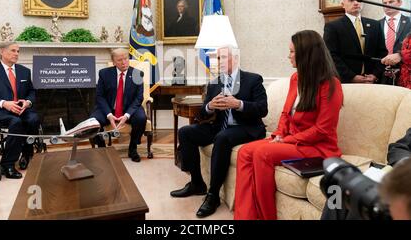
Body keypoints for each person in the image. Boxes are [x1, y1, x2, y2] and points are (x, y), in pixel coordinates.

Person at [234, 30, 343, 220]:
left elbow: (322, 130)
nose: (289, 56)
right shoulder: (296, 78)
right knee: (245, 152)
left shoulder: (330, 85)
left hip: (317, 147)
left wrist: (287, 140)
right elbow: (286, 113)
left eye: (292, 52)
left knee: (263, 153)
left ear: (306, 54)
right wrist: (278, 135)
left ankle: (267, 217)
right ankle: (245, 217)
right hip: (292, 141)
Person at [170, 45, 268, 218]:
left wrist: (239, 104)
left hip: (245, 128)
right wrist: (209, 106)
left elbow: (262, 109)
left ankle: (213, 194)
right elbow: (201, 115)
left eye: (223, 58)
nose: (219, 62)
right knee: (185, 132)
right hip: (219, 126)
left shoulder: (253, 79)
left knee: (222, 138)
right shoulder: (215, 82)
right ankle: (197, 183)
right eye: (218, 59)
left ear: (235, 58)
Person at [321, 127, 411, 220]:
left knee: (366, 207)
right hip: (399, 175)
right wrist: (406, 165)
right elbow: (399, 147)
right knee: (340, 187)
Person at [0, 42, 39, 179]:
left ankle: (26, 154)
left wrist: (27, 102)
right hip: (0, 112)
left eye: (18, 51)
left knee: (34, 119)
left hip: (21, 109)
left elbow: (31, 92)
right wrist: (4, 103)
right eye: (13, 50)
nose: (16, 54)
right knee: (16, 122)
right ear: (1, 52)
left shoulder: (24, 71)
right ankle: (8, 164)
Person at [90, 48, 146, 162]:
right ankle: (102, 149)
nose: (124, 62)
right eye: (120, 60)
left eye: (125, 58)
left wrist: (127, 115)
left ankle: (133, 148)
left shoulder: (137, 74)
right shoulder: (104, 73)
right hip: (109, 108)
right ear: (114, 61)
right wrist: (109, 114)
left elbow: (139, 98)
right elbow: (100, 96)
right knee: (93, 121)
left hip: (129, 108)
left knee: (141, 118)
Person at [323, 0, 388, 84]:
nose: (356, 3)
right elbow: (330, 55)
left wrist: (375, 75)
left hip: (372, 82)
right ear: (343, 4)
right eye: (351, 0)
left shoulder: (375, 25)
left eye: (359, 0)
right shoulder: (333, 26)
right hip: (346, 81)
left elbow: (382, 52)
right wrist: (351, 76)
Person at [379, 0, 411, 85]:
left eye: (391, 2)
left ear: (400, 2)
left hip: (405, 72)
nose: (387, 5)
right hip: (382, 72)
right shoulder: (376, 24)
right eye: (384, 3)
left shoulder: (409, 21)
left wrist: (400, 55)